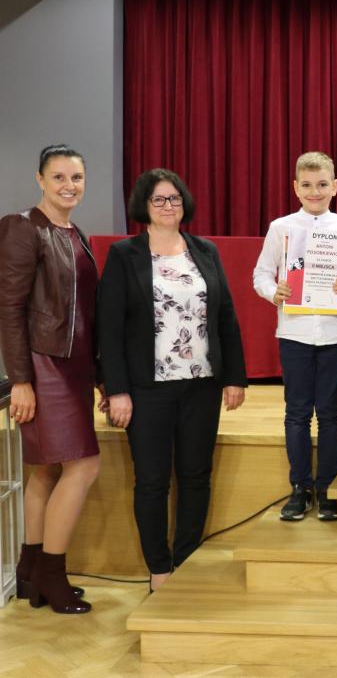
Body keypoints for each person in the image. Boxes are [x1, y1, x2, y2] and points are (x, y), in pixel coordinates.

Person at [98, 168, 247, 592]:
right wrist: (117, 390)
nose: (168, 206)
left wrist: (234, 377)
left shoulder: (205, 250)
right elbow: (109, 329)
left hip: (202, 383)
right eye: (159, 199)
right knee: (152, 481)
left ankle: (185, 561)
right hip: (147, 389)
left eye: (175, 198)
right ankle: (159, 569)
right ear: (144, 206)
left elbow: (226, 316)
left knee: (196, 476)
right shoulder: (125, 255)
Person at [0, 145, 101, 613]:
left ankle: (30, 572)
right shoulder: (22, 227)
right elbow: (10, 308)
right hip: (45, 366)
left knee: (46, 469)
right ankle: (52, 576)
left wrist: (98, 373)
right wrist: (20, 380)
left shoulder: (75, 233)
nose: (68, 185)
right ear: (40, 180)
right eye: (58, 176)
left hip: (74, 366)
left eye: (76, 177)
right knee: (84, 466)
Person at [253, 151, 337, 521]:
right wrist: (275, 291)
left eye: (323, 184)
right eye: (308, 185)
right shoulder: (280, 227)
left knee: (331, 414)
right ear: (296, 188)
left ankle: (327, 488)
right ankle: (300, 487)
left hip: (336, 333)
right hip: (294, 333)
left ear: (336, 186)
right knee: (296, 413)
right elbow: (261, 274)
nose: (315, 192)